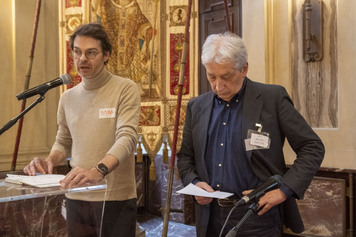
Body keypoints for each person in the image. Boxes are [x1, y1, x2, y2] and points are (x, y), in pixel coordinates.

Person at [177, 32, 325, 237]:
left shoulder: (271, 98)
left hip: (257, 216)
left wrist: (284, 190)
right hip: (210, 218)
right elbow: (185, 157)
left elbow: (312, 146)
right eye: (211, 77)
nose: (218, 86)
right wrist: (194, 183)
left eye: (226, 77)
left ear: (244, 68)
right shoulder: (197, 106)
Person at [23, 22, 141, 237]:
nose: (82, 59)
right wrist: (50, 159)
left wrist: (98, 172)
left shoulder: (125, 88)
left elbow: (127, 138)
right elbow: (63, 141)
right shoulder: (67, 97)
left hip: (114, 198)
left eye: (91, 53)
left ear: (106, 54)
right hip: (76, 197)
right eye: (77, 52)